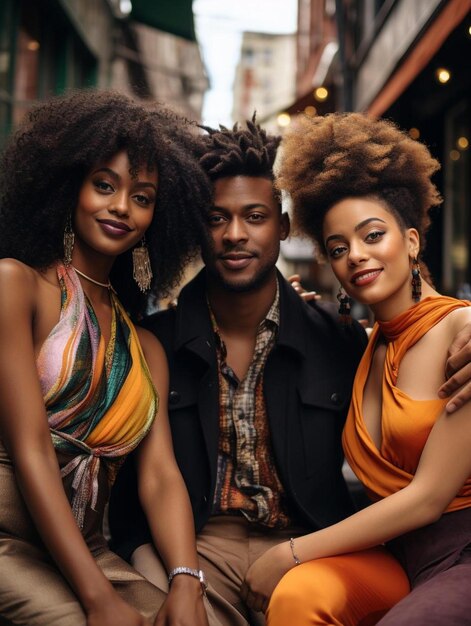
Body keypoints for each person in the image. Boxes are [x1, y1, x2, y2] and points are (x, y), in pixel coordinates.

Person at [109, 118, 471, 626]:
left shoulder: (338, 337)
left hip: (307, 544)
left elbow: (422, 323)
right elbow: (145, 484)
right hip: (192, 548)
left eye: (254, 216)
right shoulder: (157, 342)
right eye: (216, 219)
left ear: (281, 227)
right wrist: (177, 575)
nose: (235, 235)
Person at [242, 112, 471, 626]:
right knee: (300, 597)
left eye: (373, 236)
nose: (357, 257)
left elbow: (429, 498)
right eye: (339, 249)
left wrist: (289, 552)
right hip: (395, 556)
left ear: (411, 241)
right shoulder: (363, 346)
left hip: (462, 553)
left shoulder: (463, 332)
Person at [0, 90, 210, 626]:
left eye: (142, 197)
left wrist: (187, 581)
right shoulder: (15, 286)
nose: (121, 207)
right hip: (8, 543)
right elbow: (32, 452)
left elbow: (160, 477)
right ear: (69, 189)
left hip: (90, 551)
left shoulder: (147, 350)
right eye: (104, 185)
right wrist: (98, 601)